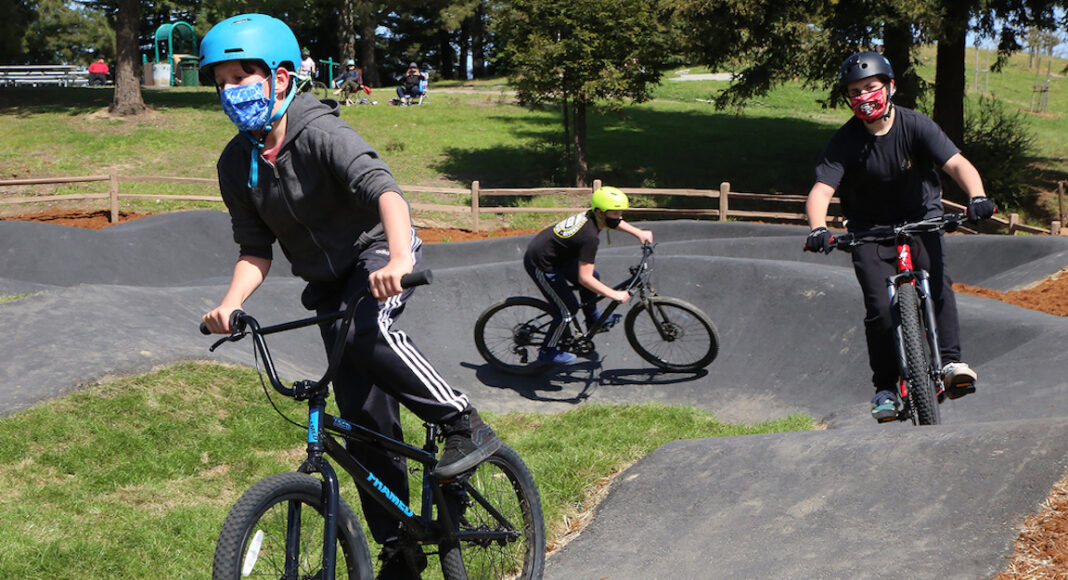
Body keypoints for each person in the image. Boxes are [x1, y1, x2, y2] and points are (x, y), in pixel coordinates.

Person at [198, 14, 500, 578]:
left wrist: (401, 260)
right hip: (329, 280)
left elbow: (386, 191)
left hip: (378, 249)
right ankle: (400, 548)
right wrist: (231, 303)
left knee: (371, 332)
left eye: (240, 79)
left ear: (280, 78)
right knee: (362, 417)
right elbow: (254, 248)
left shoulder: (320, 131)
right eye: (219, 84)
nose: (228, 93)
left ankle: (463, 424)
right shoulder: (236, 162)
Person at [804, 51, 997, 423]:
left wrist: (977, 196)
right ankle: (885, 389)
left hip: (921, 217)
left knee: (939, 285)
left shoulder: (916, 125)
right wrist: (818, 228)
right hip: (868, 229)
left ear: (890, 87)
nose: (863, 96)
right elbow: (822, 190)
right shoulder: (844, 141)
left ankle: (952, 363)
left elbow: (956, 163)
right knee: (878, 310)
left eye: (871, 87)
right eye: (855, 91)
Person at [523, 186, 654, 365]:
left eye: (621, 212)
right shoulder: (589, 237)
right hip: (542, 264)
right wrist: (614, 294)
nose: (620, 216)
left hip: (560, 255)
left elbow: (614, 222)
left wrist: (638, 232)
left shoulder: (594, 216)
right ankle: (547, 352)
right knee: (568, 310)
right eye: (615, 213)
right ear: (600, 212)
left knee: (595, 275)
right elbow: (585, 278)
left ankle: (592, 319)